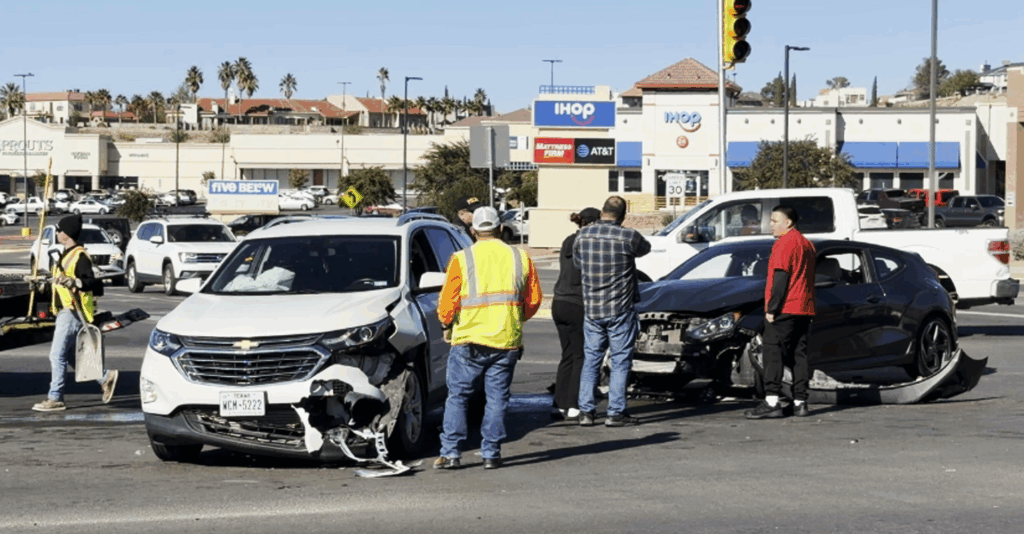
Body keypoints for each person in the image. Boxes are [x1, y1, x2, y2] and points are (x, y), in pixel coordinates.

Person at [434, 206, 543, 470]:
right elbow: (533, 300)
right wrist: (515, 319)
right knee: (497, 398)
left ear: (473, 231)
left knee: (458, 396)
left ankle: (451, 453)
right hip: (506, 339)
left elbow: (447, 302)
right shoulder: (520, 257)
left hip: (469, 338)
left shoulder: (462, 258)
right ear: (501, 229)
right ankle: (491, 454)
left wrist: (447, 324)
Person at [573, 196, 651, 427]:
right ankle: (615, 412)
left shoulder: (582, 235)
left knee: (591, 360)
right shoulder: (628, 236)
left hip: (592, 308)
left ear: (602, 211)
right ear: (623, 215)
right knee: (620, 361)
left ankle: (586, 411)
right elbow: (645, 249)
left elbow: (578, 264)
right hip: (620, 308)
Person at [32, 214, 119, 412]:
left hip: (73, 311)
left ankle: (55, 397)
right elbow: (62, 278)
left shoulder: (79, 256)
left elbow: (91, 282)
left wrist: (74, 282)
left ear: (65, 235)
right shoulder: (67, 253)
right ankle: (105, 377)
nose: (58, 233)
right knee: (70, 355)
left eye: (60, 230)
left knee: (56, 356)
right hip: (66, 309)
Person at [745, 205, 816, 420]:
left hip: (785, 307)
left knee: (772, 353)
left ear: (788, 222)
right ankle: (800, 402)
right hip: (804, 307)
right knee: (798, 355)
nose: (771, 224)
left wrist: (771, 309)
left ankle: (771, 401)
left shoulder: (784, 244)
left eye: (775, 221)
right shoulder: (807, 244)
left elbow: (780, 278)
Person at [551, 207, 601, 420]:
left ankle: (559, 403)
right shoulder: (589, 243)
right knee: (581, 354)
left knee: (568, 354)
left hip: (559, 301)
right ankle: (573, 404)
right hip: (577, 303)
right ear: (593, 223)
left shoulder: (568, 241)